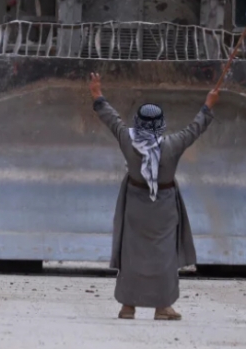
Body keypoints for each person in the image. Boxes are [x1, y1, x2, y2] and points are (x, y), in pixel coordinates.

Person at [88, 72, 219, 321]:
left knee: (131, 254)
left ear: (138, 121)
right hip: (165, 206)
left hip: (135, 204)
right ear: (161, 124)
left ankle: (128, 306)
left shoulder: (128, 139)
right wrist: (208, 104)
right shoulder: (173, 144)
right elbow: (195, 128)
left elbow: (111, 119)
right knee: (165, 256)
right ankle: (162, 307)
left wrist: (97, 94)